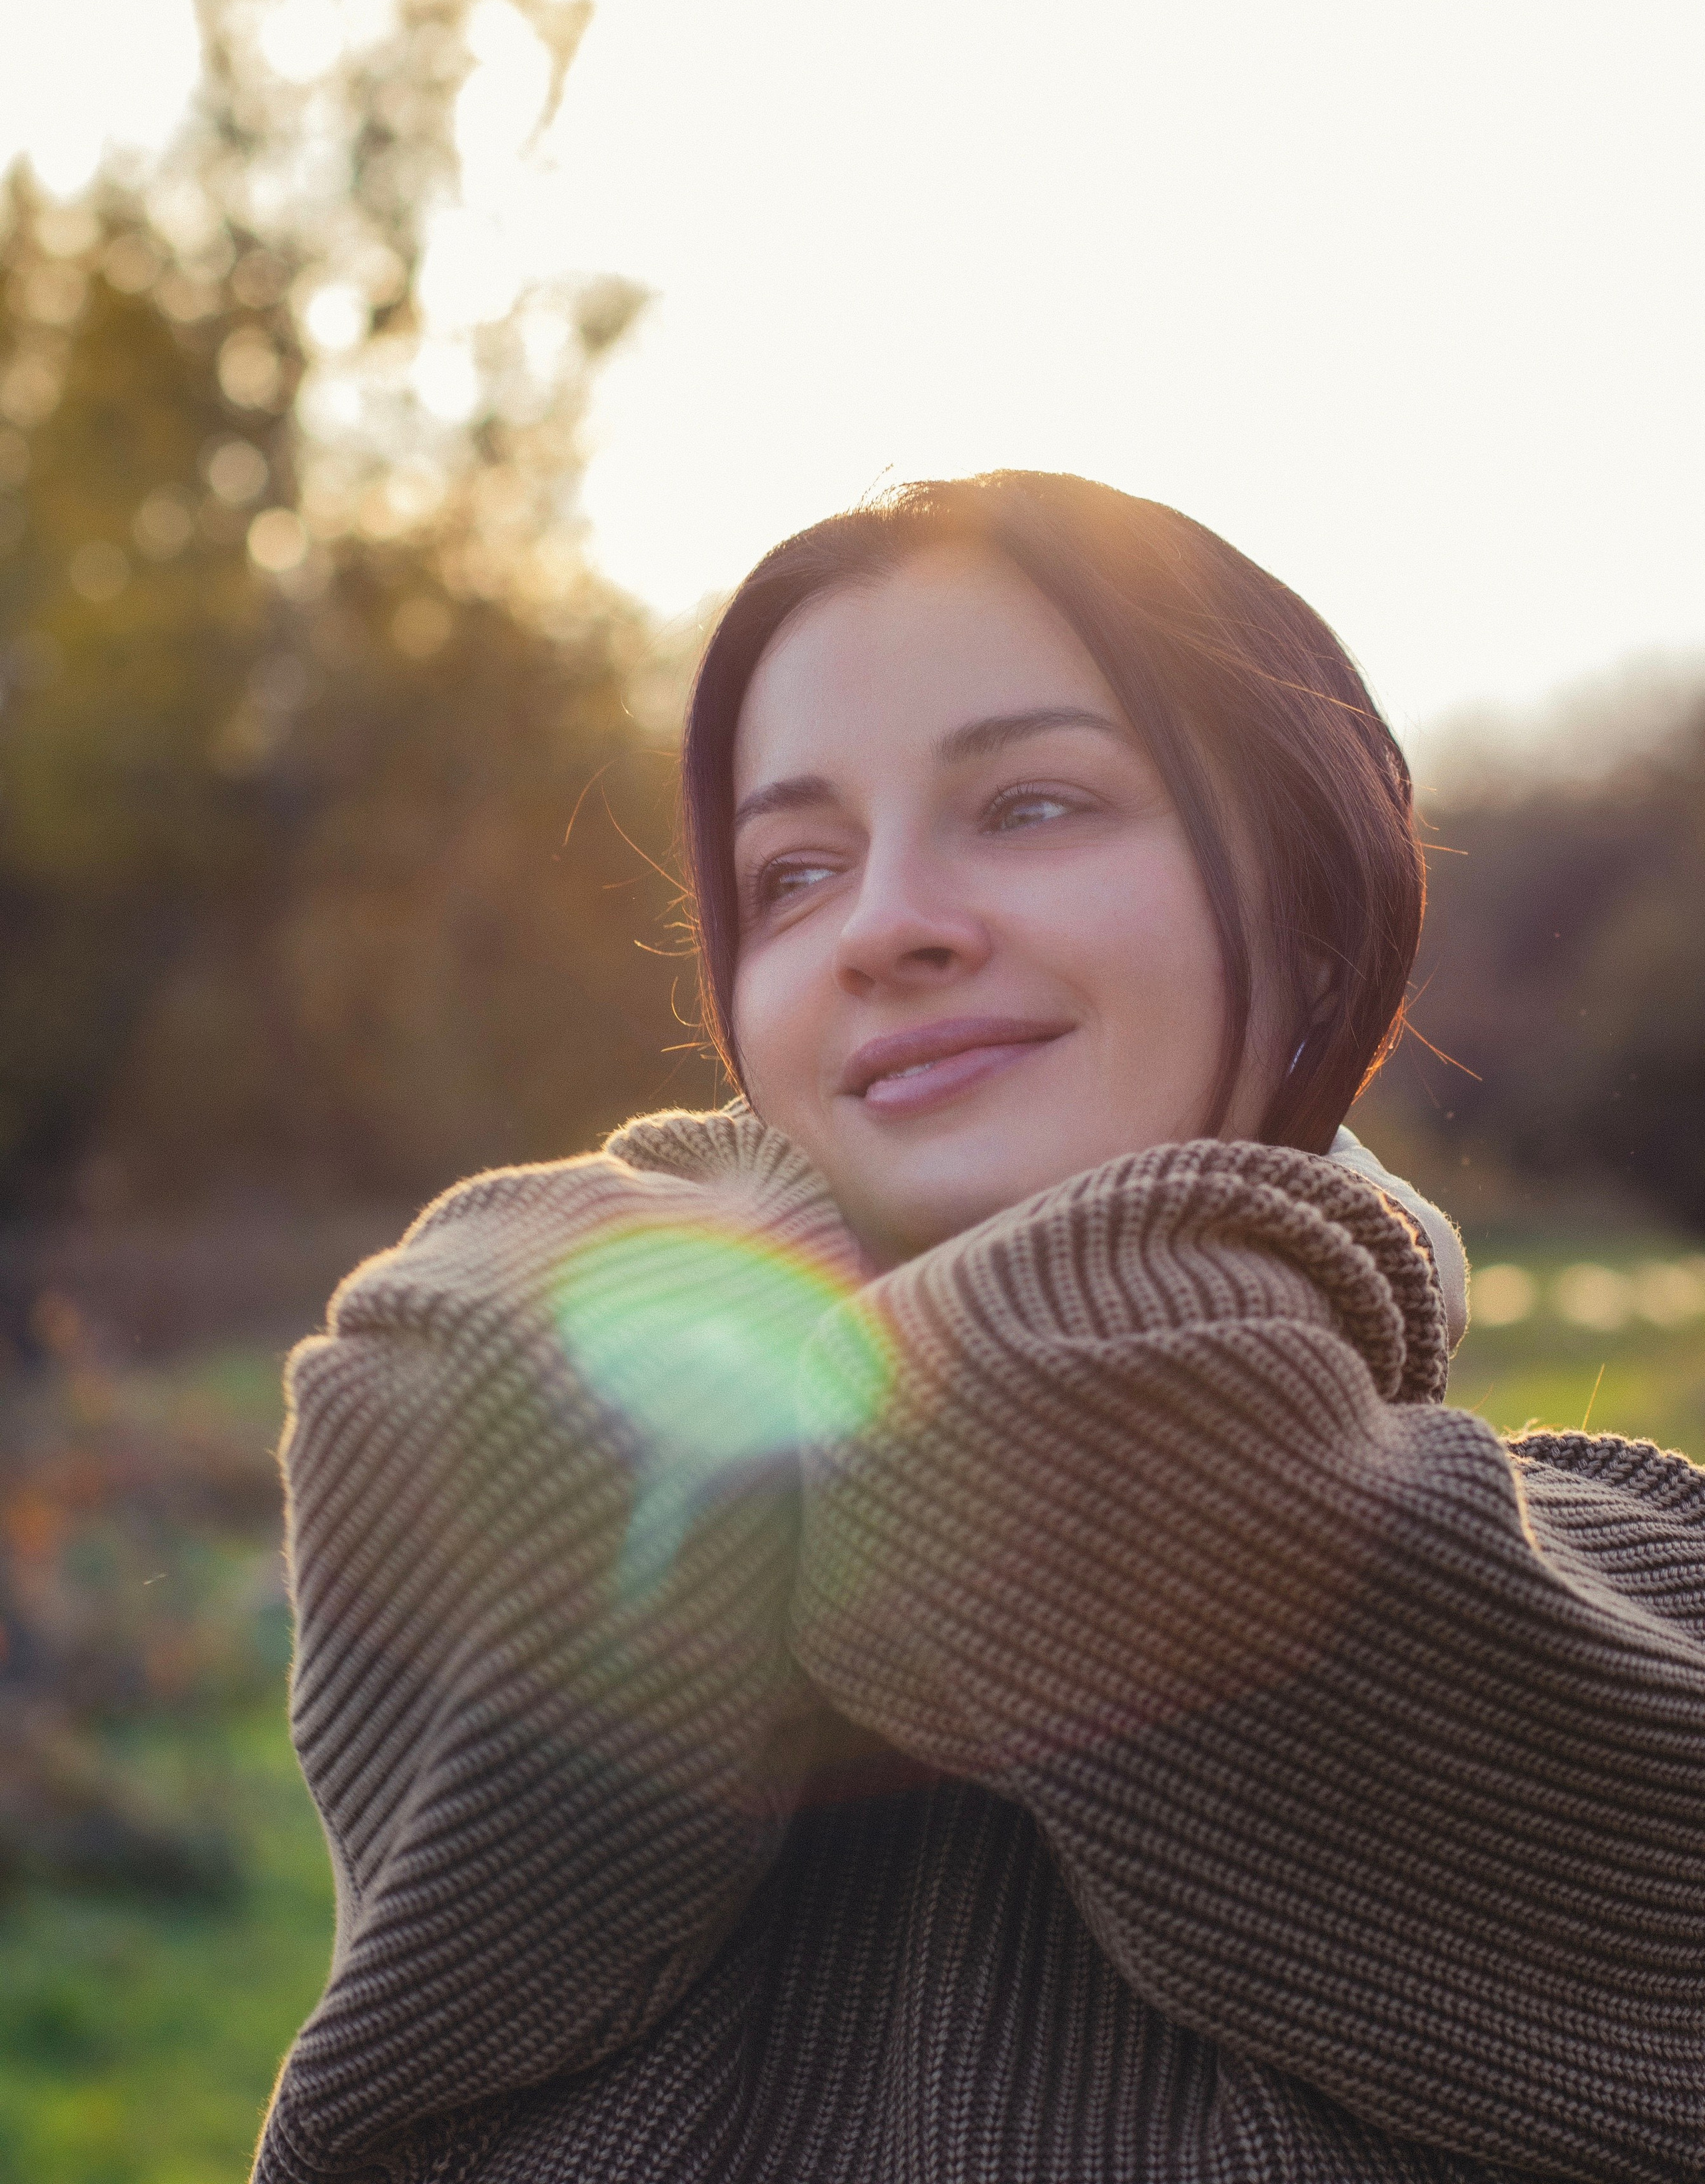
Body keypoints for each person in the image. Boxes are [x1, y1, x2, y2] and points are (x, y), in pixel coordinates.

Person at [254, 473, 1705, 2184]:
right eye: (793, 871)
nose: (881, 926)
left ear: (1316, 923)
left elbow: (1056, 1440)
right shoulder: (530, 1435)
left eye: (1026, 806)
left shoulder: (1642, 1597)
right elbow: (458, 1380)